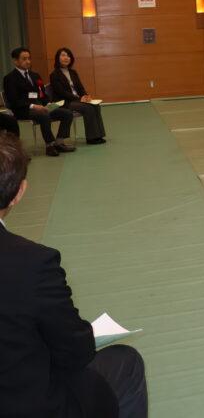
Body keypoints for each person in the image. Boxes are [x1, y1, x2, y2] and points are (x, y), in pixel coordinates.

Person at [0, 132, 149, 417]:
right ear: (19, 192)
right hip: (24, 403)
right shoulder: (32, 263)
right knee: (125, 362)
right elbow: (75, 351)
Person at [2, 47, 75, 157]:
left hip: (40, 107)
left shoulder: (35, 76)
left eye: (29, 58)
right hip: (23, 110)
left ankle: (59, 142)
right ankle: (50, 145)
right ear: (15, 61)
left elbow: (42, 94)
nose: (28, 61)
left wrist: (48, 104)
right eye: (24, 59)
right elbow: (14, 100)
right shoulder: (10, 78)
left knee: (67, 113)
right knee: (43, 115)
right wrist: (33, 106)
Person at [48, 47, 107, 144]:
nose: (66, 58)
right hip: (65, 102)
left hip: (76, 100)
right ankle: (91, 138)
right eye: (63, 55)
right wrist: (79, 99)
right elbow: (62, 92)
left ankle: (99, 135)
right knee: (88, 108)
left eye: (68, 56)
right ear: (57, 58)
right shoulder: (54, 74)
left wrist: (86, 96)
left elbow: (80, 87)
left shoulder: (73, 72)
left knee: (95, 105)